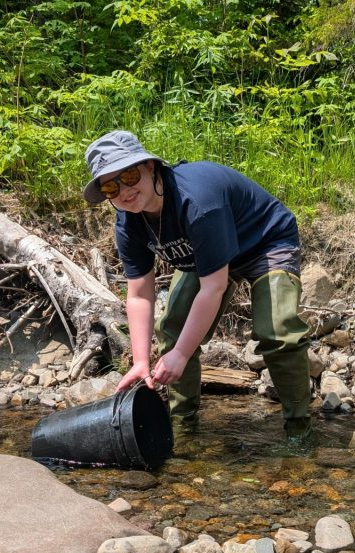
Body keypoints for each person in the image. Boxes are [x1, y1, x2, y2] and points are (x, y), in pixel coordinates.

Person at [82, 130, 313, 440]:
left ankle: (299, 433)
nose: (124, 191)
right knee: (174, 329)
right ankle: (183, 430)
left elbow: (213, 288)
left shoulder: (197, 201)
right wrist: (140, 361)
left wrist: (180, 355)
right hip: (204, 255)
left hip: (264, 242)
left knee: (278, 332)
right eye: (111, 186)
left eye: (130, 175)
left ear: (151, 166)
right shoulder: (128, 221)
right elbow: (139, 294)